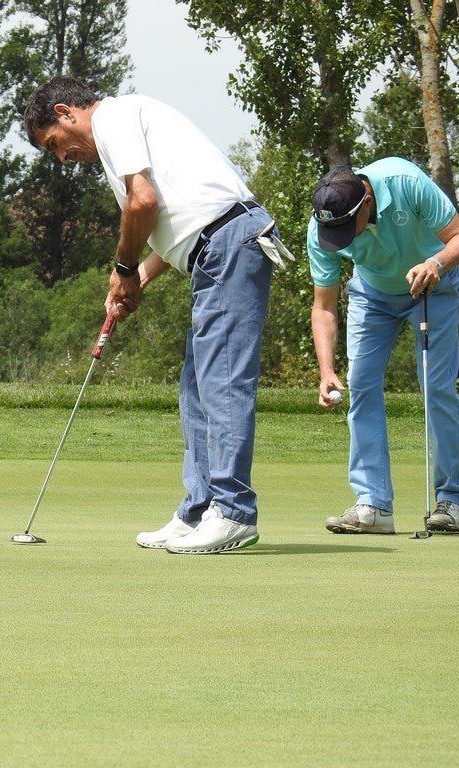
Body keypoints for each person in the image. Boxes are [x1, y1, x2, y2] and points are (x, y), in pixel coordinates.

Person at [23, 75, 291, 554]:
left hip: (229, 243)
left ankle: (233, 513)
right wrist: (137, 280)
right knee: (196, 384)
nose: (62, 158)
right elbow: (180, 225)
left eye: (54, 145)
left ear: (66, 113)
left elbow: (143, 202)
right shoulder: (121, 131)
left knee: (222, 380)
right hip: (215, 248)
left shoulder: (113, 118)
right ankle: (198, 510)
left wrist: (123, 268)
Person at [307, 158, 459, 534]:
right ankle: (373, 505)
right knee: (362, 386)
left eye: (345, 229)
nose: (340, 239)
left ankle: (451, 501)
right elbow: (324, 307)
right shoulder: (323, 225)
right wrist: (326, 370)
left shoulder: (405, 182)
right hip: (372, 294)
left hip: (433, 284)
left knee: (436, 387)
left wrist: (436, 261)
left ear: (366, 202)